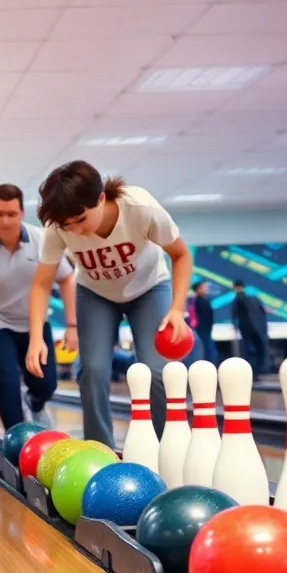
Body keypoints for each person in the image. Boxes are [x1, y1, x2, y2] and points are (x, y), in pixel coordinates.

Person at [27, 160, 193, 449]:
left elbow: (181, 255)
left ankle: (168, 447)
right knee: (92, 370)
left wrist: (177, 308)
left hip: (150, 289)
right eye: (67, 225)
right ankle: (99, 449)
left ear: (101, 198)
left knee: (156, 370)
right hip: (95, 293)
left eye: (80, 220)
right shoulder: (59, 228)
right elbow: (42, 283)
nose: (75, 231)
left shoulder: (141, 210)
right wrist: (35, 339)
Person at [0, 183, 76, 431]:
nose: (5, 220)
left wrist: (71, 324)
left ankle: (35, 402)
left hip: (35, 324)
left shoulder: (41, 240)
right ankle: (17, 437)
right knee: (7, 381)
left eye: (11, 214)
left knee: (47, 383)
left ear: (22, 213)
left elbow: (66, 278)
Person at [230, 280, 270, 376]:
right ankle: (262, 369)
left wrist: (235, 326)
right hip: (259, 328)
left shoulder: (237, 299)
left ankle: (252, 372)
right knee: (260, 348)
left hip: (246, 328)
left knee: (249, 350)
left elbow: (234, 315)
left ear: (235, 287)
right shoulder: (254, 298)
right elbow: (263, 311)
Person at [189, 281, 217, 363]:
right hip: (203, 329)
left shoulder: (204, 300)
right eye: (204, 287)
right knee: (208, 350)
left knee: (209, 349)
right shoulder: (198, 301)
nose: (206, 289)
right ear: (198, 289)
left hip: (206, 329)